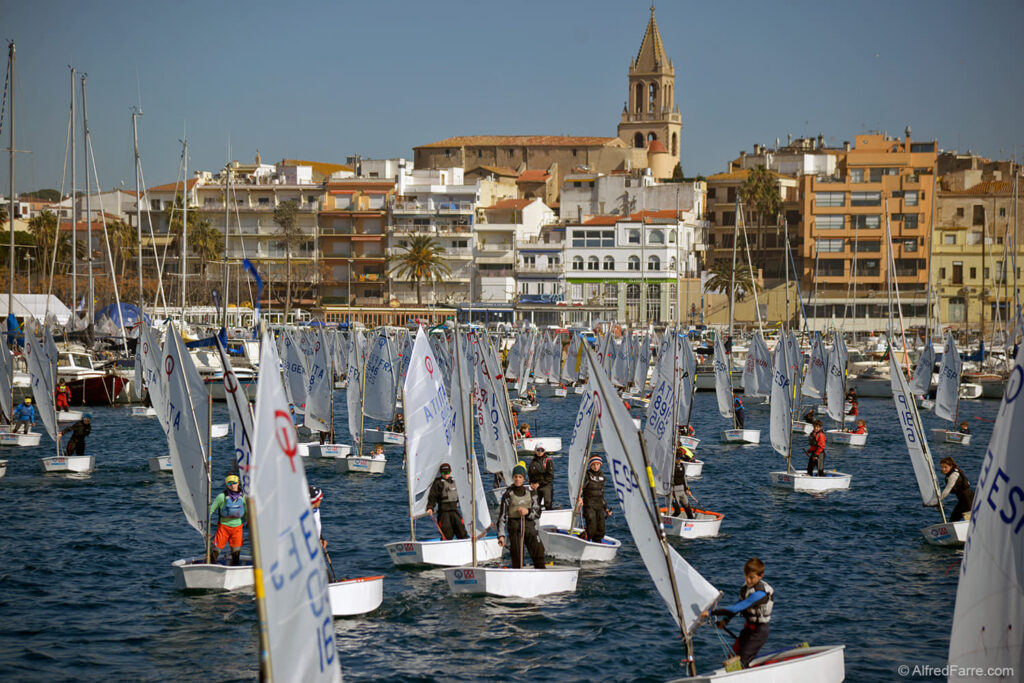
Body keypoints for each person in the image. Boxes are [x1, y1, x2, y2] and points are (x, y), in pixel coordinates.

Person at [701, 558, 774, 668]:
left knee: (742, 660)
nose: (748, 580)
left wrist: (711, 612)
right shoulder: (746, 589)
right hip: (748, 629)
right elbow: (738, 605)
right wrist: (725, 621)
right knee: (732, 656)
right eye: (746, 576)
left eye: (751, 577)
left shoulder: (760, 594)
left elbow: (737, 608)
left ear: (760, 576)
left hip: (760, 631)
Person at [496, 463, 545, 569]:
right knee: (517, 556)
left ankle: (541, 571)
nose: (517, 479)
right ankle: (517, 574)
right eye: (515, 477)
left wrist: (527, 511)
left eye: (520, 477)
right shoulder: (508, 494)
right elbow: (502, 516)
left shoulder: (531, 493)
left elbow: (538, 512)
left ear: (524, 479)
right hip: (515, 527)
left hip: (529, 526)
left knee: (539, 551)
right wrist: (501, 535)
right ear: (513, 478)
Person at [209, 474, 246, 565]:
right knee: (216, 550)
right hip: (223, 528)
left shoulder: (243, 497)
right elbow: (211, 510)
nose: (232, 485)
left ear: (238, 483)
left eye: (234, 482)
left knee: (236, 551)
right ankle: (211, 565)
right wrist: (205, 521)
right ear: (226, 485)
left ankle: (235, 567)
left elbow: (248, 511)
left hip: (237, 528)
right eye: (229, 483)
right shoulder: (221, 497)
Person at [426, 462, 468, 540]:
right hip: (443, 513)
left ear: (450, 472)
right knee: (447, 533)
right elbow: (432, 496)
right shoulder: (438, 483)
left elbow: (461, 495)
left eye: (447, 472)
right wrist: (430, 507)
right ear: (440, 473)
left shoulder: (454, 481)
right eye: (443, 472)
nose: (445, 474)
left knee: (461, 531)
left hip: (454, 511)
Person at [576, 455, 612, 543]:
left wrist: (606, 509)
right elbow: (580, 488)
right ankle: (584, 538)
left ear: (600, 465)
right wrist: (580, 499)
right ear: (590, 465)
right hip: (589, 505)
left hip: (599, 504)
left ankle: (597, 541)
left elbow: (602, 494)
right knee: (592, 525)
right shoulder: (586, 475)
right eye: (593, 464)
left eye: (597, 464)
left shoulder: (602, 477)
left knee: (601, 528)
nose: (595, 466)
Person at [938, 457, 975, 522]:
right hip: (962, 501)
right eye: (942, 467)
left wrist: (939, 499)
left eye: (945, 467)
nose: (943, 469)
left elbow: (948, 489)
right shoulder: (949, 474)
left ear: (951, 466)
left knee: (970, 520)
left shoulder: (954, 475)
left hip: (969, 500)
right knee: (953, 519)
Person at [671, 448, 697, 518]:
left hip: (682, 491)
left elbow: (684, 479)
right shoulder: (671, 467)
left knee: (688, 510)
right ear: (674, 458)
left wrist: (687, 489)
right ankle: (668, 521)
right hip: (673, 493)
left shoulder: (682, 465)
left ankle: (691, 523)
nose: (679, 460)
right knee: (677, 511)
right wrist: (670, 493)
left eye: (681, 458)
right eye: (678, 458)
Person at [528, 446, 555, 510]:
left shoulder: (548, 461)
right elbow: (529, 474)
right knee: (534, 504)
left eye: (542, 450)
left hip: (546, 485)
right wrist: (531, 483)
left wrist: (539, 483)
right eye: (538, 450)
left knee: (547, 503)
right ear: (535, 450)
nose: (540, 452)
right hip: (535, 486)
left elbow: (550, 476)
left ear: (544, 451)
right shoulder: (532, 462)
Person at [308, 485, 328, 551]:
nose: (321, 501)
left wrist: (321, 538)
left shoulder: (315, 509)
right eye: (320, 499)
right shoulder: (307, 515)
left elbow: (316, 528)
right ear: (315, 500)